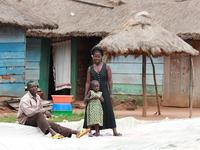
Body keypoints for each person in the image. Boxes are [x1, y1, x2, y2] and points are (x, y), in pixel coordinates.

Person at [17, 81, 90, 139]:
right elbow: (29, 113)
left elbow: (39, 109)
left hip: (35, 118)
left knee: (52, 124)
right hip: (25, 120)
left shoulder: (37, 97)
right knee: (39, 114)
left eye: (35, 86)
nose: (34, 88)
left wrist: (43, 114)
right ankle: (53, 133)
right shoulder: (25, 99)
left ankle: (75, 132)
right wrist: (44, 111)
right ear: (28, 89)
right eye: (32, 87)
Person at [83, 46, 122, 136]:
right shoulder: (90, 69)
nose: (97, 58)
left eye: (99, 56)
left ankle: (114, 131)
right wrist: (85, 96)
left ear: (102, 57)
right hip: (93, 92)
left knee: (108, 109)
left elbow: (110, 80)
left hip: (104, 91)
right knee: (92, 110)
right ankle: (95, 131)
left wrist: (111, 93)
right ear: (92, 56)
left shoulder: (107, 67)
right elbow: (88, 82)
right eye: (95, 56)